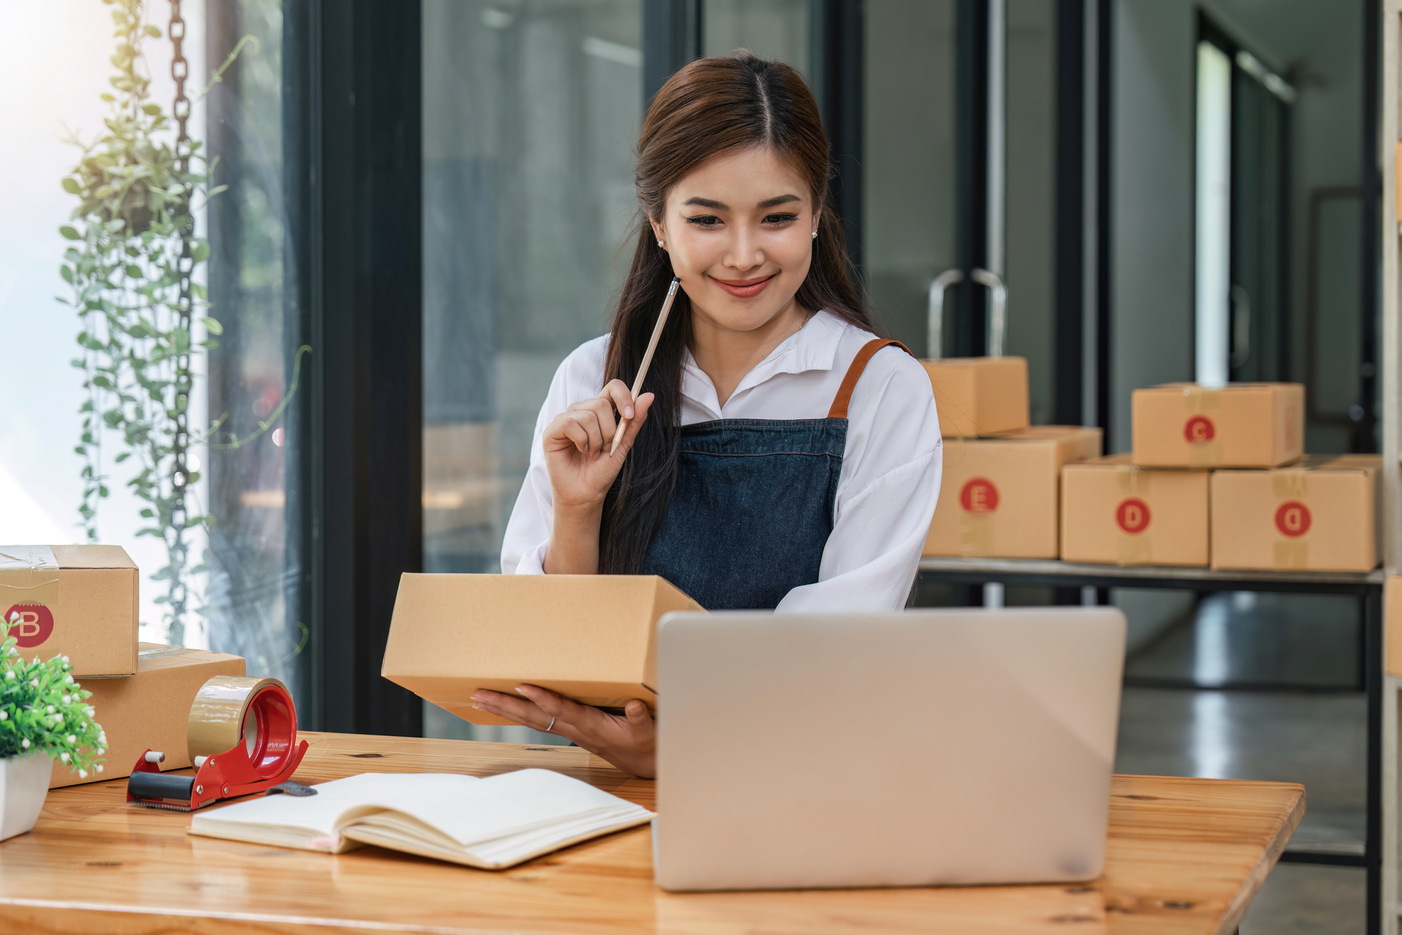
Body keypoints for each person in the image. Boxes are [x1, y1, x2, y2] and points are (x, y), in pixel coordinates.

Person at [471, 52, 942, 778]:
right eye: (708, 219)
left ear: (817, 214)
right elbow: (546, 649)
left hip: (807, 783)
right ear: (659, 223)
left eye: (777, 216)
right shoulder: (591, 379)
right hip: (612, 793)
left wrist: (688, 741)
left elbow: (844, 640)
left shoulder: (880, 386)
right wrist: (576, 508)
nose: (745, 255)